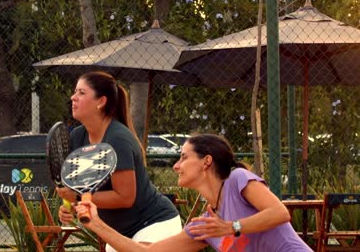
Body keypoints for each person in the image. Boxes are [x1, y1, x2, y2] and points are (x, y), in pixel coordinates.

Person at [75, 134, 313, 252]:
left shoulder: (237, 180)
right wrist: (95, 223)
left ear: (206, 162)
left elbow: (280, 213)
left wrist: (231, 227)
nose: (176, 166)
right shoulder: (206, 226)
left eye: (184, 157)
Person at [57, 71, 181, 252]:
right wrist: (68, 206)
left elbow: (125, 198)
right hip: (119, 232)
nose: (73, 97)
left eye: (81, 93)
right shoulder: (77, 137)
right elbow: (80, 188)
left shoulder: (117, 139)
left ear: (101, 101)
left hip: (153, 224)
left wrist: (76, 197)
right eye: (75, 91)